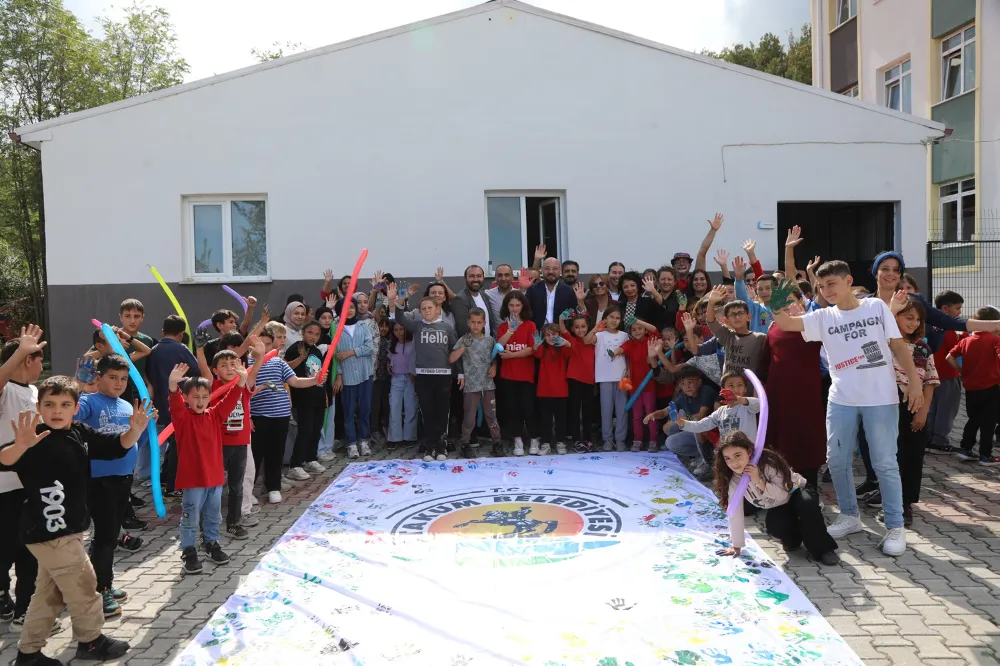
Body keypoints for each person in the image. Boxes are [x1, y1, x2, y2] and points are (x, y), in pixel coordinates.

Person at [773, 260, 923, 557]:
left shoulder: (876, 308)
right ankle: (850, 516)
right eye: (821, 286)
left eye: (832, 284)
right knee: (837, 460)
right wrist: (778, 296)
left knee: (884, 463)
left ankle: (895, 526)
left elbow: (897, 345)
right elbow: (787, 323)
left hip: (880, 398)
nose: (826, 290)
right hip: (841, 398)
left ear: (848, 281)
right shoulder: (822, 317)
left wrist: (915, 383)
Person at [1, 377, 153, 664]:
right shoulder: (33, 437)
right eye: (49, 404)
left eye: (64, 405)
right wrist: (20, 446)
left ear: (75, 409)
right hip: (48, 532)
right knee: (84, 586)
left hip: (70, 530)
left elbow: (116, 445)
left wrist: (134, 430)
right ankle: (91, 641)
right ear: (38, 407)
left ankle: (28, 653)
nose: (56, 411)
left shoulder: (79, 432)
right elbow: (4, 460)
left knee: (49, 594)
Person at [75, 354, 143, 618]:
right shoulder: (89, 401)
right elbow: (71, 413)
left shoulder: (126, 405)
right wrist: (80, 386)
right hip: (99, 480)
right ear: (99, 377)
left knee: (110, 535)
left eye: (123, 379)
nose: (118, 383)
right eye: (112, 377)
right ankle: (100, 589)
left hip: (123, 479)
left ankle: (104, 582)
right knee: (105, 537)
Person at [713, 431, 839, 566]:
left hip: (796, 491)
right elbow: (735, 510)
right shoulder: (733, 479)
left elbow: (783, 494)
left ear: (749, 452)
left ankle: (824, 549)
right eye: (728, 458)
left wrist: (758, 480)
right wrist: (736, 545)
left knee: (807, 505)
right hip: (778, 504)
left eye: (738, 455)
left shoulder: (768, 463)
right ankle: (796, 536)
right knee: (776, 528)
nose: (734, 463)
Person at [167, 362, 245, 575]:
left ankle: (211, 543)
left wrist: (241, 382)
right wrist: (173, 385)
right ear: (186, 398)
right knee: (190, 517)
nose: (200, 401)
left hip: (215, 478)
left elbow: (230, 401)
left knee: (213, 516)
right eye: (195, 396)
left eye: (204, 397)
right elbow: (174, 403)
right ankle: (189, 550)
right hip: (193, 479)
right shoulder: (182, 418)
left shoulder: (215, 415)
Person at [757, 286, 826, 490]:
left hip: (806, 396)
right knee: (779, 442)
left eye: (790, 301)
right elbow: (765, 363)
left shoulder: (813, 327)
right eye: (781, 302)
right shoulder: (773, 328)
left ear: (801, 302)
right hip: (778, 396)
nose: (786, 306)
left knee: (806, 440)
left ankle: (809, 490)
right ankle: (779, 488)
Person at [0, 326, 45, 630]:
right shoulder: (7, 391)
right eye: (39, 358)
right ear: (28, 360)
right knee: (5, 547)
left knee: (30, 547)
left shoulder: (34, 392)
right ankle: (3, 593)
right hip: (5, 486)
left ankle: (25, 605)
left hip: (31, 483)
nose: (42, 364)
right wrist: (19, 351)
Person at [386, 284, 458, 462]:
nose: (426, 311)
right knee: (427, 412)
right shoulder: (417, 326)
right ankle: (430, 447)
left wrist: (460, 374)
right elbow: (399, 317)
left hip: (443, 377)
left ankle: (441, 446)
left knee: (442, 412)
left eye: (430, 308)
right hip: (423, 377)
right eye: (423, 308)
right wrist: (397, 300)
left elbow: (455, 351)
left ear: (437, 308)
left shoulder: (447, 328)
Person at [250, 322, 319, 504]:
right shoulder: (247, 363)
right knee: (255, 454)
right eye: (260, 344)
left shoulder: (278, 362)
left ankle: (273, 487)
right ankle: (249, 490)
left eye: (267, 344)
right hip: (257, 415)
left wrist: (314, 380)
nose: (264, 348)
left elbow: (295, 381)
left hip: (280, 416)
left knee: (276, 452)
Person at [888, 296, 939, 526]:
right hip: (888, 404)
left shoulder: (923, 347)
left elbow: (930, 381)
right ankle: (889, 498)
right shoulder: (884, 342)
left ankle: (905, 503)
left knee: (912, 455)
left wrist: (923, 412)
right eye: (908, 317)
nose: (913, 323)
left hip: (914, 406)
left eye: (917, 319)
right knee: (890, 455)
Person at [208, 339, 265, 536]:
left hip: (240, 443)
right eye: (224, 365)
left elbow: (253, 373)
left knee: (237, 486)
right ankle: (208, 522)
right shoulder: (212, 387)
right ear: (215, 370)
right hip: (219, 444)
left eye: (234, 364)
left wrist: (259, 357)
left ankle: (234, 522)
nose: (229, 368)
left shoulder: (243, 386)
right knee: (213, 486)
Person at [146, 315, 200, 496]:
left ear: (162, 332)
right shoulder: (181, 349)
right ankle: (173, 485)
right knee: (178, 445)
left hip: (158, 404)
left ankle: (164, 477)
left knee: (172, 443)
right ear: (181, 334)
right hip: (178, 403)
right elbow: (197, 371)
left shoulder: (153, 350)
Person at [946, 307, 1000, 464]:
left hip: (970, 387)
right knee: (988, 423)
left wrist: (962, 371)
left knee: (973, 419)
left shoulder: (965, 340)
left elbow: (949, 357)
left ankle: (965, 449)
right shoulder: (994, 340)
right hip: (991, 387)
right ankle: (985, 455)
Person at [449, 308, 502, 457]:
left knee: (491, 414)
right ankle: (465, 443)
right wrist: (464, 347)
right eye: (473, 322)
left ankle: (497, 442)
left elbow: (494, 357)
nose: (476, 325)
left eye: (479, 322)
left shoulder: (490, 340)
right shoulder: (464, 339)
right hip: (471, 385)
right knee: (469, 416)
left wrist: (494, 366)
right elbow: (452, 358)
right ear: (468, 323)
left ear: (484, 323)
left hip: (488, 383)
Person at [496, 290, 539, 456]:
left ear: (523, 306)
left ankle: (534, 439)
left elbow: (532, 349)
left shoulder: (531, 325)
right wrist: (510, 331)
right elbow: (500, 346)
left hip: (526, 375)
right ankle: (518, 441)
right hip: (508, 375)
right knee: (512, 409)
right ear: (507, 307)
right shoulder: (502, 327)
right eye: (511, 305)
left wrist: (512, 355)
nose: (514, 309)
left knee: (528, 408)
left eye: (517, 305)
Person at [653, 366, 716, 480]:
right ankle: (699, 456)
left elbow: (702, 416)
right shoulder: (683, 396)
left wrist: (678, 420)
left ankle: (709, 461)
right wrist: (653, 415)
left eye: (690, 382)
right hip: (695, 430)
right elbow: (665, 411)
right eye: (683, 383)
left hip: (711, 433)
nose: (687, 386)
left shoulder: (706, 391)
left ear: (699, 382)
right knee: (670, 441)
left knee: (696, 424)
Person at [332, 300, 374, 459]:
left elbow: (369, 347)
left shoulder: (364, 326)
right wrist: (340, 375)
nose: (349, 310)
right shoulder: (335, 329)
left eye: (351, 307)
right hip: (347, 377)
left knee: (365, 409)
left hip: (365, 375)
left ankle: (364, 440)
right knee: (348, 412)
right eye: (344, 308)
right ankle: (351, 443)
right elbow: (336, 355)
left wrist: (350, 353)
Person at [927, 290, 966, 454]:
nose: (960, 312)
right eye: (957, 308)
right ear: (944, 309)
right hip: (948, 375)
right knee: (948, 409)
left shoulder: (931, 326)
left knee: (933, 408)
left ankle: (928, 439)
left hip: (932, 375)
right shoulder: (948, 329)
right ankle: (940, 440)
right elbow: (955, 350)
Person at [586, 306, 629, 452]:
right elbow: (586, 341)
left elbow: (628, 354)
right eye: (611, 317)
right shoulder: (600, 335)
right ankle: (607, 439)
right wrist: (595, 329)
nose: (614, 320)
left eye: (617, 318)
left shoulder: (624, 336)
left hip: (621, 378)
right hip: (604, 377)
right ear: (605, 318)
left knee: (622, 410)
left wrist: (628, 370)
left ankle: (621, 440)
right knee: (606, 410)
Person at [674, 371, 761, 443]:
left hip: (748, 454)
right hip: (728, 456)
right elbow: (700, 425)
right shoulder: (720, 412)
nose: (735, 389)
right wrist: (680, 422)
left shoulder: (748, 406)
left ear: (745, 389)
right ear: (723, 389)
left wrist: (739, 399)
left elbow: (760, 404)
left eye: (740, 385)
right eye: (731, 385)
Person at [613, 319, 660, 452]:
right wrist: (614, 353)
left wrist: (638, 321)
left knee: (651, 414)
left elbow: (654, 329)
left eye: (640, 328)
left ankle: (653, 441)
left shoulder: (650, 340)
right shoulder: (630, 343)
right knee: (637, 415)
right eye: (634, 329)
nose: (637, 331)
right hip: (635, 387)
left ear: (645, 330)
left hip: (649, 385)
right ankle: (637, 440)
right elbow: (621, 349)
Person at [706, 284, 768, 377]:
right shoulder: (727, 336)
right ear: (726, 320)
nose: (737, 317)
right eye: (733, 314)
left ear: (749, 316)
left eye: (741, 313)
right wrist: (711, 303)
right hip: (728, 388)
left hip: (750, 388)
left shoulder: (760, 338)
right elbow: (711, 321)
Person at [559, 313, 596, 452]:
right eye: (577, 327)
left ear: (588, 327)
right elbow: (562, 329)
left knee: (588, 412)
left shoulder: (593, 340)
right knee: (574, 411)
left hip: (589, 379)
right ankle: (576, 440)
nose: (580, 330)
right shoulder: (570, 338)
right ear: (573, 329)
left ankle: (588, 439)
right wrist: (561, 318)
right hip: (574, 379)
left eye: (583, 327)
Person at [533, 324, 572, 455]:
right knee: (546, 419)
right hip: (544, 390)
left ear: (559, 335)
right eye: (547, 335)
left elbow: (571, 350)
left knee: (561, 418)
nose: (551, 337)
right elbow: (536, 354)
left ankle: (560, 442)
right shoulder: (543, 348)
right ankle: (546, 443)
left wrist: (565, 342)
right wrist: (536, 344)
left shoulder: (562, 349)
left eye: (554, 334)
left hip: (561, 390)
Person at [387, 322, 417, 450]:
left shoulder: (413, 343)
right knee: (394, 407)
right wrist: (388, 364)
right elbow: (390, 359)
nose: (399, 332)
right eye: (395, 330)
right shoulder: (392, 344)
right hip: (396, 378)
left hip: (410, 378)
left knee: (410, 408)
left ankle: (409, 437)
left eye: (401, 329)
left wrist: (414, 372)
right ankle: (394, 438)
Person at [526, 258, 577, 329]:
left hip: (560, 335)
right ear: (542, 270)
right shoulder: (533, 289)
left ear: (560, 270)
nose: (551, 271)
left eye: (555, 268)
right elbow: (526, 312)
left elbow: (573, 315)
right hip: (538, 336)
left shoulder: (568, 291)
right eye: (547, 268)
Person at [452, 265, 494, 337]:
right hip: (472, 346)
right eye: (472, 276)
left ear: (483, 278)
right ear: (465, 279)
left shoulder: (485, 296)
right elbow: (463, 330)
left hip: (488, 344)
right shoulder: (460, 299)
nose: (476, 279)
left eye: (479, 276)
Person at [370, 318, 392, 445]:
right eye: (381, 326)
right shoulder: (374, 341)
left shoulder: (390, 342)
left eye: (386, 326)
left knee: (386, 405)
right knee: (375, 406)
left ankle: (386, 428)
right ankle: (374, 430)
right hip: (375, 379)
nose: (383, 329)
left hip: (388, 379)